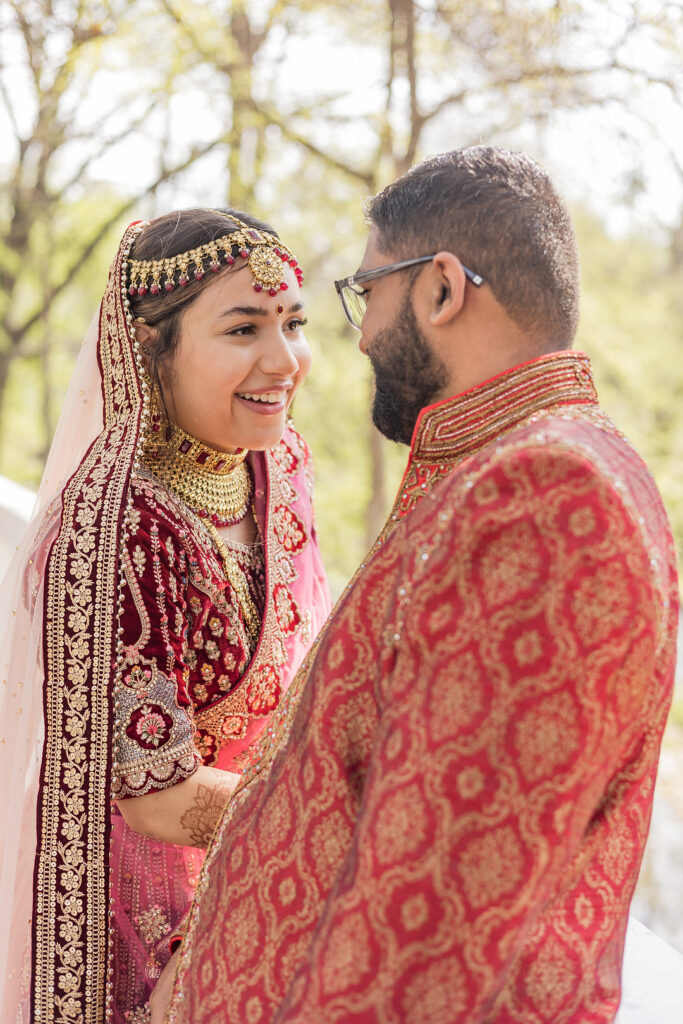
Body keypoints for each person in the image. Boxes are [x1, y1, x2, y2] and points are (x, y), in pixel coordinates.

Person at [160, 148, 679, 1024]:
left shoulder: (546, 497)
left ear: (440, 288)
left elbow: (427, 939)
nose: (357, 336)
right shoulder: (497, 469)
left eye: (366, 294)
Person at [0, 208, 330, 1023]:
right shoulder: (120, 527)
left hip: (260, 886)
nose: (283, 359)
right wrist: (337, 818)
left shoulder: (278, 464)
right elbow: (153, 795)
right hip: (136, 923)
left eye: (293, 322)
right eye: (243, 327)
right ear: (153, 350)